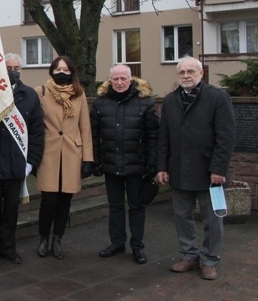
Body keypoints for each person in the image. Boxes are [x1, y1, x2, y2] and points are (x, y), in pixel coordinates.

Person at [157, 56, 235, 280]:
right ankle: (189, 256)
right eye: (182, 72)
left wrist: (219, 168)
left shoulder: (217, 98)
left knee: (212, 219)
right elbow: (164, 138)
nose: (186, 75)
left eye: (191, 71)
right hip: (179, 169)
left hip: (209, 172)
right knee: (182, 216)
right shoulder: (171, 101)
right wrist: (162, 166)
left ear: (201, 73)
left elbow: (226, 137)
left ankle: (210, 259)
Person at [0, 53, 44, 264]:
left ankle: (9, 246)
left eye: (16, 67)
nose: (13, 71)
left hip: (17, 163)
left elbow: (36, 132)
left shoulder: (30, 95)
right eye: (9, 67)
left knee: (12, 209)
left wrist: (31, 161)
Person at [90, 64, 159, 265]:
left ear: (131, 80)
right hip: (111, 165)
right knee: (115, 207)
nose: (119, 83)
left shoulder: (144, 102)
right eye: (115, 79)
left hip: (136, 166)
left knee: (137, 207)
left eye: (123, 79)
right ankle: (117, 242)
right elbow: (93, 135)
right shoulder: (100, 104)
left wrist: (152, 163)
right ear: (109, 81)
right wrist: (95, 160)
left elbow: (152, 135)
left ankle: (137, 246)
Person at [34, 55, 93, 260]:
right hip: (48, 153)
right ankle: (43, 238)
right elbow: (34, 125)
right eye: (58, 69)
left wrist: (88, 159)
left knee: (65, 201)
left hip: (71, 154)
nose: (62, 73)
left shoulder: (79, 94)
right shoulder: (41, 92)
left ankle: (57, 239)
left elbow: (85, 127)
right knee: (48, 200)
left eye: (66, 70)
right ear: (51, 71)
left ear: (71, 73)